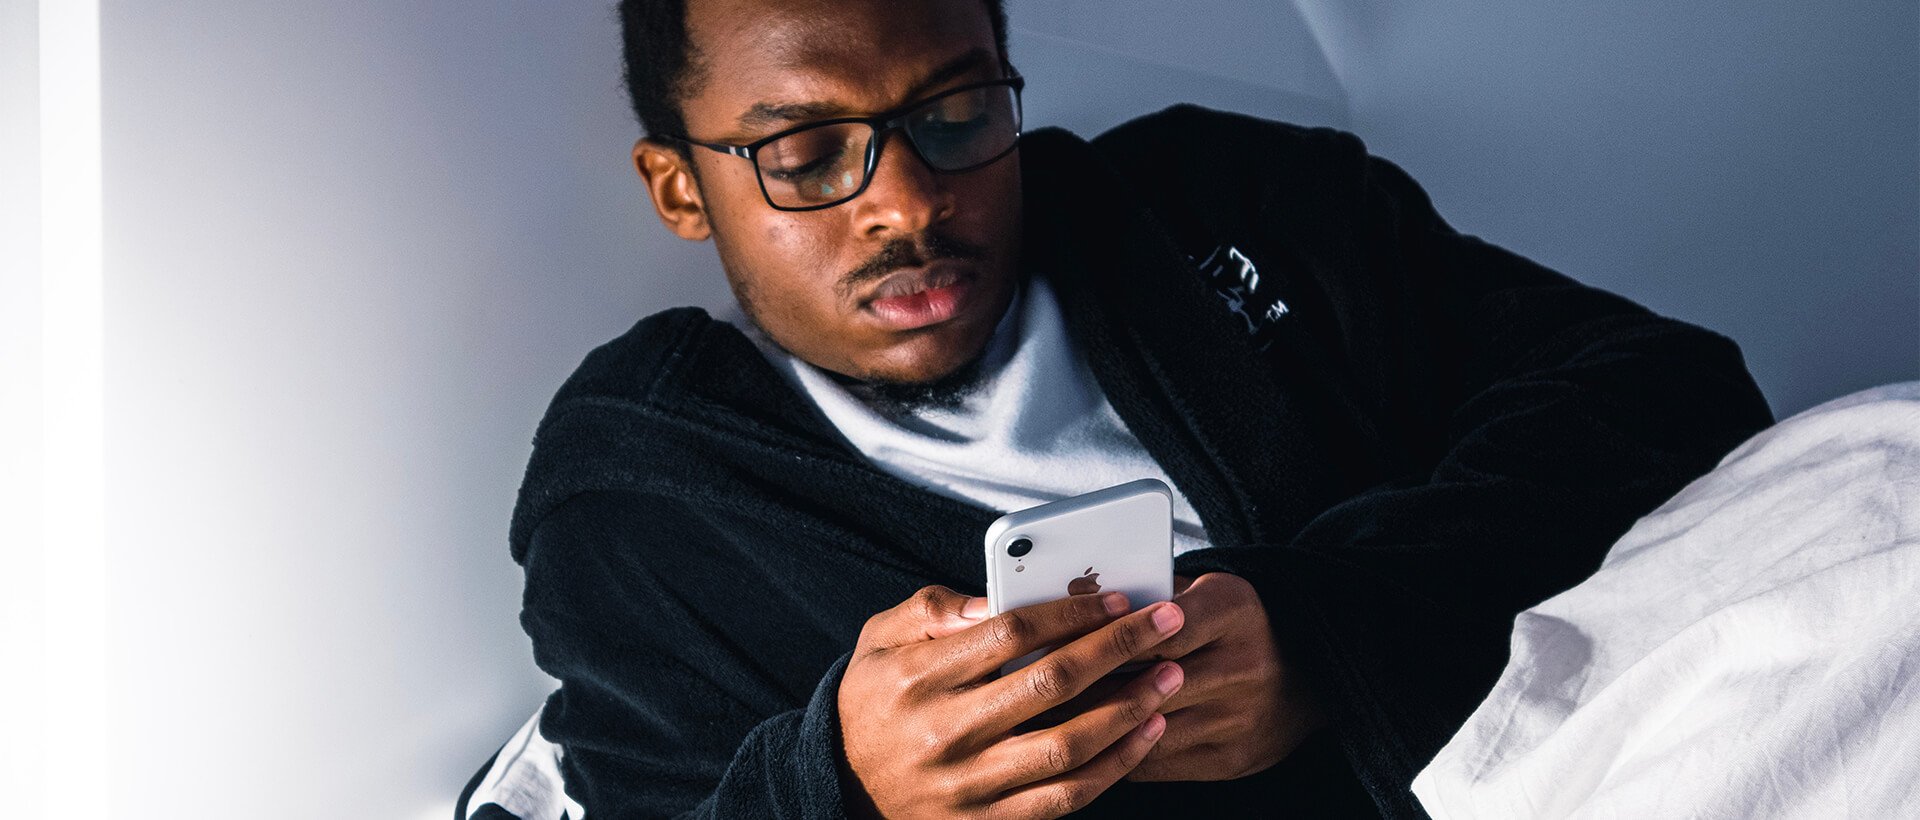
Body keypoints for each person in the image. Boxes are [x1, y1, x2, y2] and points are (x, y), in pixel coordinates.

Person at [507, 0, 1774, 816]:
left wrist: (1332, 631)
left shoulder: (1228, 203)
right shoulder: (641, 494)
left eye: (953, 117)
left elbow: (1662, 388)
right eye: (807, 157)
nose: (906, 203)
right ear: (679, 186)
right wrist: (842, 785)